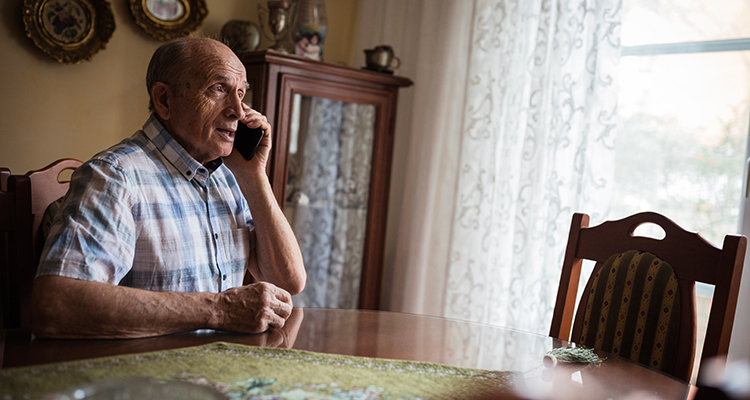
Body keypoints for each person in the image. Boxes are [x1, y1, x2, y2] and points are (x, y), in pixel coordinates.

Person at [30, 37, 306, 339]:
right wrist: (219, 310)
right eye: (219, 89)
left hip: (217, 372)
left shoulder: (230, 176)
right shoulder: (114, 176)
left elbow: (289, 280)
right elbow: (54, 305)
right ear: (164, 99)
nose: (239, 112)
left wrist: (255, 176)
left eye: (241, 94)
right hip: (142, 377)